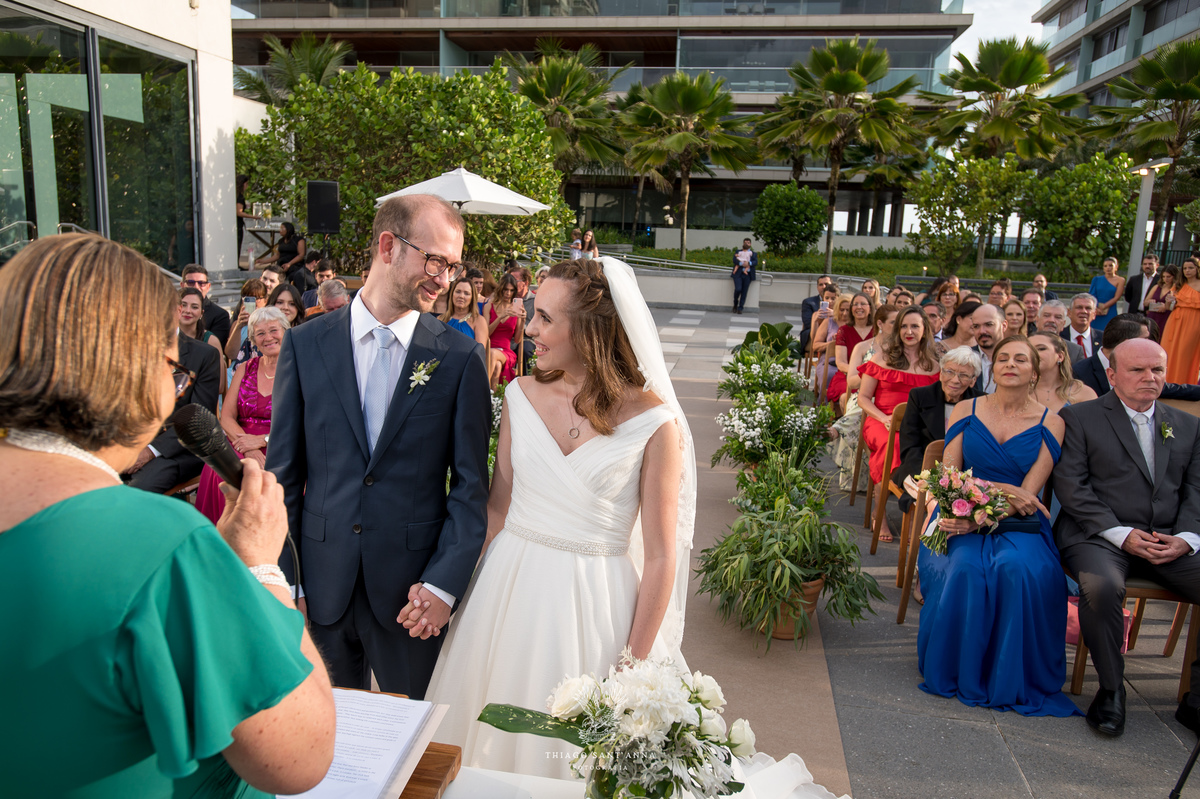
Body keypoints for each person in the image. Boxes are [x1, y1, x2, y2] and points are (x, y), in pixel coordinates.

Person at [0, 233, 335, 796]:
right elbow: (301, 755)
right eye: (174, 370)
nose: (175, 391)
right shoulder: (159, 546)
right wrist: (260, 568)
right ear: (131, 367)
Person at [425, 257, 695, 778]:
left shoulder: (656, 423)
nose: (529, 328)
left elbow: (662, 557)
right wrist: (450, 593)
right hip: (506, 599)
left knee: (576, 762)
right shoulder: (519, 396)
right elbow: (497, 511)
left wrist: (632, 666)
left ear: (590, 329)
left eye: (545, 318)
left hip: (596, 609)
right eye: (532, 314)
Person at [267, 194, 490, 698]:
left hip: (413, 599)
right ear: (388, 246)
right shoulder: (305, 346)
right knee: (324, 752)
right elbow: (284, 478)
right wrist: (289, 582)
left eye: (452, 266)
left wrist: (442, 586)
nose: (444, 278)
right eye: (435, 259)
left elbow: (471, 490)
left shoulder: (458, 357)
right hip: (321, 590)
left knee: (413, 752)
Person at [917, 336, 1079, 717]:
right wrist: (980, 505)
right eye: (1002, 358)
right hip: (956, 514)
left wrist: (990, 507)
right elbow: (949, 475)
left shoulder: (1051, 422)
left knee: (1015, 568)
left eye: (1020, 359)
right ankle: (957, 669)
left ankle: (1007, 675)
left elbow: (1028, 497)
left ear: (1034, 370)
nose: (1009, 364)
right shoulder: (965, 408)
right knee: (965, 569)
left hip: (1018, 523)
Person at [1055, 338, 1200, 737]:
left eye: (1157, 370)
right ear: (1113, 375)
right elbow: (1072, 487)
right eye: (1138, 370)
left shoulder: (1187, 424)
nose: (1149, 378)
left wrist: (1187, 538)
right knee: (1102, 588)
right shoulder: (1080, 417)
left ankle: (1196, 699)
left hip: (1169, 539)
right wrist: (1122, 534)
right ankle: (1111, 689)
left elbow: (1197, 490)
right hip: (1098, 535)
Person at [196, 307, 287, 525]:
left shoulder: (299, 369)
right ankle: (221, 543)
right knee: (221, 468)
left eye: (273, 330)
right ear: (253, 340)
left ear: (286, 331)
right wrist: (249, 447)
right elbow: (226, 417)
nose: (268, 337)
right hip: (240, 440)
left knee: (254, 476)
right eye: (260, 333)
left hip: (280, 441)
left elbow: (304, 422)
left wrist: (263, 441)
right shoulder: (244, 368)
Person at [857, 306, 940, 542]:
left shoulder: (934, 365)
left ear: (924, 330)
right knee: (892, 446)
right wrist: (882, 418)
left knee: (929, 451)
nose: (909, 331)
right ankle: (880, 512)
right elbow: (863, 398)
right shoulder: (882, 357)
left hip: (917, 426)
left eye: (915, 326)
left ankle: (914, 511)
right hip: (881, 420)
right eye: (903, 326)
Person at [125, 318, 221, 495]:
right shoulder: (132, 348)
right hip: (133, 441)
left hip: (178, 449)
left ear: (176, 310)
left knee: (134, 493)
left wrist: (149, 451)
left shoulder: (204, 355)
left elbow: (197, 418)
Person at [893, 346, 981, 514]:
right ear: (941, 373)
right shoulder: (920, 396)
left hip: (963, 474)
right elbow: (910, 446)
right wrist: (930, 479)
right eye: (949, 372)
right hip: (920, 469)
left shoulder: (980, 402)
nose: (955, 380)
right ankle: (929, 530)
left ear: (973, 380)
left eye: (963, 375)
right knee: (933, 500)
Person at [830, 304, 898, 492]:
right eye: (894, 322)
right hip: (862, 395)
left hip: (887, 399)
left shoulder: (901, 350)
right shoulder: (863, 347)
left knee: (870, 407)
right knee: (863, 405)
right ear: (880, 324)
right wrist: (871, 377)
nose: (899, 326)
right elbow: (851, 381)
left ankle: (837, 429)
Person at [440, 276, 497, 384]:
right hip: (442, 371)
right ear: (452, 294)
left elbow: (478, 355)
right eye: (458, 292)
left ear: (472, 298)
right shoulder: (441, 319)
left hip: (466, 374)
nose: (461, 296)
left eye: (466, 293)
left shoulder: (478, 321)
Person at [1029, 331, 1098, 414]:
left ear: (1060, 356)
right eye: (1029, 350)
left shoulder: (1084, 394)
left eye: (1041, 349)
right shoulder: (1017, 392)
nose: (1033, 354)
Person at [829, 292, 876, 406]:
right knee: (847, 396)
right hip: (847, 375)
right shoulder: (844, 331)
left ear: (870, 308)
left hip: (873, 377)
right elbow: (840, 363)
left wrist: (869, 375)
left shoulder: (877, 331)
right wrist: (859, 373)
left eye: (863, 304)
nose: (859, 307)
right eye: (855, 304)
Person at [484, 273, 526, 386]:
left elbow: (517, 340)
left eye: (512, 290)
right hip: (489, 347)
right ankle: (494, 399)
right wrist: (500, 317)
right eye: (505, 290)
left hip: (506, 351)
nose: (508, 293)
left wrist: (522, 321)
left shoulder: (516, 309)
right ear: (500, 289)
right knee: (496, 366)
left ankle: (481, 388)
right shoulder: (489, 306)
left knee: (493, 354)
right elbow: (485, 334)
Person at [1163, 257, 1200, 384]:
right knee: (1169, 351)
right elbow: (1169, 308)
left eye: (1191, 268)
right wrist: (1168, 302)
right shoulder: (1178, 285)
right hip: (1175, 320)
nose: (1187, 271)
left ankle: (1183, 382)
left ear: (1197, 269)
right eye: (1185, 268)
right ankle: (1167, 381)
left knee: (1185, 353)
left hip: (1194, 321)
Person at [181, 264, 232, 348]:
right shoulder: (169, 311)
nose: (196, 287)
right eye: (191, 282)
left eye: (201, 283)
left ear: (208, 287)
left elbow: (214, 351)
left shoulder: (220, 315)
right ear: (182, 285)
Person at [225, 278, 269, 371]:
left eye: (257, 298)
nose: (254, 302)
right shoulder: (238, 324)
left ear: (265, 300)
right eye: (249, 299)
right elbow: (230, 354)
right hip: (236, 371)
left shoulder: (270, 323)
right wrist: (238, 326)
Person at [813, 292, 850, 399]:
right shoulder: (829, 321)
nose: (844, 313)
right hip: (829, 361)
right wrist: (832, 344)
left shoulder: (855, 325)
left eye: (847, 310)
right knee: (830, 374)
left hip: (848, 362)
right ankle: (826, 410)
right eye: (842, 310)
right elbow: (815, 346)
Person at [971, 302, 1009, 394]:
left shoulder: (1017, 359)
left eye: (988, 325)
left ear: (1003, 326)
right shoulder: (964, 358)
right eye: (976, 326)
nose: (982, 331)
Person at [1089, 257, 1126, 332]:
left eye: (1110, 265)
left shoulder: (1120, 280)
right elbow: (1091, 294)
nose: (1108, 268)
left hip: (1110, 309)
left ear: (1116, 267)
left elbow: (1117, 297)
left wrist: (1103, 307)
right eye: (1105, 266)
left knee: (1109, 330)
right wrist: (1096, 308)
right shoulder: (1096, 279)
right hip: (1096, 310)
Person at [800, 275, 835, 353]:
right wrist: (818, 319)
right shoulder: (809, 302)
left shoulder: (840, 303)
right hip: (813, 333)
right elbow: (807, 323)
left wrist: (835, 314)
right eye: (820, 284)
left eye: (826, 284)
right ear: (817, 287)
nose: (823, 286)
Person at [1063, 293, 1101, 358]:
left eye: (1088, 308)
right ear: (1069, 312)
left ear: (1094, 314)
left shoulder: (1103, 339)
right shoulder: (1058, 337)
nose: (1084, 311)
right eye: (1079, 307)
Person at [1145, 263, 1179, 334]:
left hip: (1166, 318)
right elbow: (1145, 302)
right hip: (1152, 317)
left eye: (1168, 277)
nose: (1165, 279)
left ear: (1175, 276)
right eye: (1163, 276)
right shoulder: (1157, 287)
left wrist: (1166, 307)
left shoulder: (1177, 290)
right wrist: (1149, 301)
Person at [236, 174, 259, 266]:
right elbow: (239, 212)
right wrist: (254, 217)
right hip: (238, 224)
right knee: (238, 244)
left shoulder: (234, 195)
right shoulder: (240, 197)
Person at [731, 237, 757, 314]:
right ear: (743, 243)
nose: (746, 244)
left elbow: (755, 262)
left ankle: (740, 308)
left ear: (750, 244)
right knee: (738, 289)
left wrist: (748, 263)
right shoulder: (738, 251)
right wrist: (741, 263)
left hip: (748, 275)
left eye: (748, 242)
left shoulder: (753, 253)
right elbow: (734, 260)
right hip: (738, 274)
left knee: (744, 292)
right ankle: (735, 303)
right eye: (745, 242)